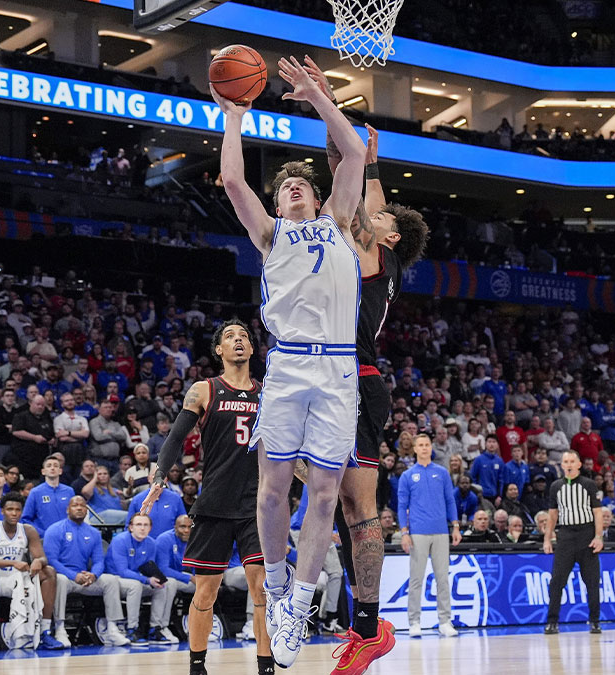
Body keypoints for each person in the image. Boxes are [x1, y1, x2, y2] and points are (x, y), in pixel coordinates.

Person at [211, 54, 367, 670]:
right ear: (277, 203)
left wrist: (320, 99)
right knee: (274, 488)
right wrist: (234, 117)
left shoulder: (338, 222)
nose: (294, 188)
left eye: (301, 183)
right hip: (291, 365)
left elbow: (352, 155)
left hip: (339, 369)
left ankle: (300, 603)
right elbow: (231, 182)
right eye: (285, 187)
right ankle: (275, 586)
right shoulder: (271, 236)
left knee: (325, 494)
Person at [306, 77, 428, 669]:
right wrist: (334, 129)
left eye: (376, 218)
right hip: (322, 375)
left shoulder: (381, 257)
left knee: (360, 510)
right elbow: (348, 180)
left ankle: (369, 627)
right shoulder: (359, 247)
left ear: (393, 236)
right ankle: (362, 624)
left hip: (356, 379)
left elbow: (361, 189)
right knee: (336, 507)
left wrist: (355, 143)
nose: (361, 218)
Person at [142, 320, 273, 675]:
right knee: (205, 595)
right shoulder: (204, 390)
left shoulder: (268, 393)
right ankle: (197, 666)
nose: (238, 340)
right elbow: (174, 439)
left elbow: (285, 450)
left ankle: (266, 666)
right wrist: (159, 476)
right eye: (230, 337)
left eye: (244, 336)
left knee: (262, 589)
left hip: (255, 506)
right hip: (214, 502)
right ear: (219, 350)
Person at [0, 493, 65, 651]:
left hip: (14, 577)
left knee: (49, 572)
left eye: (17, 510)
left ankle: (45, 631)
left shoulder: (28, 530)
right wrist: (12, 562)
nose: (14, 513)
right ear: (2, 511)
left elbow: (42, 557)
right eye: (10, 509)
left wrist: (38, 561)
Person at [42, 495, 131, 647]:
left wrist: (94, 574)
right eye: (75, 505)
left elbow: (98, 560)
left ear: (86, 510)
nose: (79, 508)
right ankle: (60, 629)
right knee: (61, 580)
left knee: (110, 580)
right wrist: (73, 575)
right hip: (65, 577)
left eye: (82, 506)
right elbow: (52, 561)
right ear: (67, 509)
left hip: (85, 578)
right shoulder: (55, 530)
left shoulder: (94, 533)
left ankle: (112, 628)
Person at [398, 434, 461, 638]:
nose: (424, 448)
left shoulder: (442, 473)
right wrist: (404, 532)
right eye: (421, 445)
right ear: (415, 449)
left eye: (427, 445)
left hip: (441, 532)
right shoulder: (407, 476)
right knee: (416, 579)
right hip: (417, 533)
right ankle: (414, 621)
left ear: (431, 448)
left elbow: (450, 501)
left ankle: (445, 621)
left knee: (443, 579)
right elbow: (401, 506)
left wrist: (456, 526)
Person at [542, 451, 603, 635]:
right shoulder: (556, 486)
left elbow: (598, 512)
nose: (568, 464)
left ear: (579, 464)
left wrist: (598, 536)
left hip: (586, 534)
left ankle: (594, 621)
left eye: (571, 461)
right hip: (566, 536)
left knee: (592, 581)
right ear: (561, 465)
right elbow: (552, 514)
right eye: (565, 461)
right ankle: (552, 621)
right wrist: (547, 538)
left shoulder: (589, 485)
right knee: (557, 582)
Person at [105, 513, 179, 646]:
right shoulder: (120, 540)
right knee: (135, 585)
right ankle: (132, 629)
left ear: (150, 528)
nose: (142, 528)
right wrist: (147, 580)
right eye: (138, 525)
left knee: (167, 583)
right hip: (117, 580)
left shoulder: (151, 543)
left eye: (146, 525)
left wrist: (156, 578)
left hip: (139, 578)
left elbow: (148, 567)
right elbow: (122, 571)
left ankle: (156, 628)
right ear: (131, 527)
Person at [21, 455, 75, 534]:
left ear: (60, 471)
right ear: (43, 471)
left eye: (56, 466)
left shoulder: (69, 491)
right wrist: (42, 533)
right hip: (44, 539)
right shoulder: (35, 492)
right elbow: (26, 519)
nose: (52, 468)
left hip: (67, 537)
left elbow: (74, 516)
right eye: (49, 466)